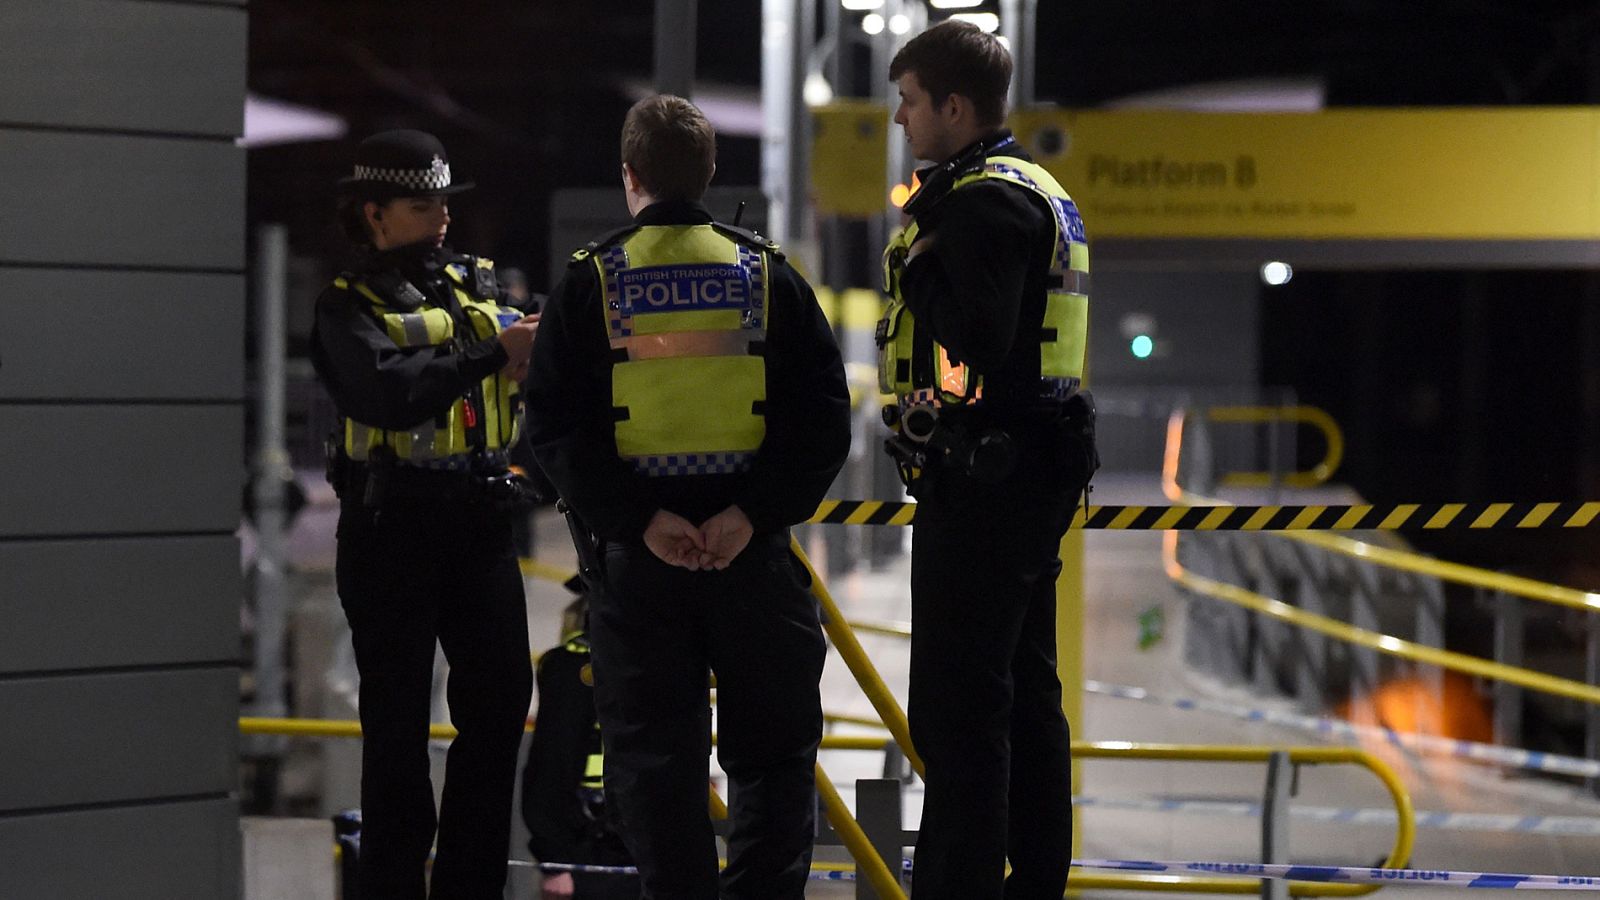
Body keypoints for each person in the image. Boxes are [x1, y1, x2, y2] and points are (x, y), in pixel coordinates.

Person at [524, 94, 851, 899]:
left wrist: (642, 520)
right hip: (751, 561)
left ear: (629, 176)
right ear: (709, 172)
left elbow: (555, 431)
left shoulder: (590, 284)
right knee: (773, 762)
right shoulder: (767, 276)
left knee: (655, 766)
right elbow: (824, 422)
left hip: (640, 567)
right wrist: (749, 515)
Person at [877, 21, 1099, 900]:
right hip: (1029, 469)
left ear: (953, 106)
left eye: (908, 101)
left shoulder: (978, 201)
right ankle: (1035, 880)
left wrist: (924, 262)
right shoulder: (1037, 186)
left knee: (958, 713)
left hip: (988, 485)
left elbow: (976, 334)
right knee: (1024, 695)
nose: (900, 118)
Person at [310, 128, 539, 899]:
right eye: (419, 204)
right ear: (372, 214)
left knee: (502, 706)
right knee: (397, 733)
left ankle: (469, 888)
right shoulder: (345, 306)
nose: (440, 217)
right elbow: (388, 394)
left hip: (479, 520)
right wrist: (493, 352)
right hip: (392, 528)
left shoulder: (474, 287)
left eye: (443, 201)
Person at [520, 594, 639, 899]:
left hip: (641, 848)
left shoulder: (658, 663)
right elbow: (551, 766)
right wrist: (556, 860)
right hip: (588, 850)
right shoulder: (570, 668)